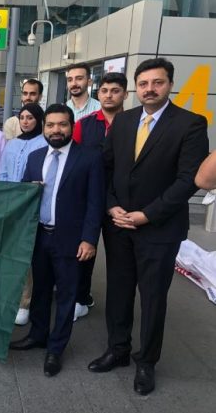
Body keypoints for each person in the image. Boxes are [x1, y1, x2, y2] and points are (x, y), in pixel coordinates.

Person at [89, 58, 209, 395]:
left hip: (159, 229)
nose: (149, 89)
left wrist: (147, 215)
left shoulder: (190, 124)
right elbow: (106, 167)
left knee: (154, 297)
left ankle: (147, 362)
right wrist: (111, 205)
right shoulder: (124, 121)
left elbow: (189, 180)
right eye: (143, 84)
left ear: (170, 84)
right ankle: (118, 349)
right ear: (135, 88)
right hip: (119, 224)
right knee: (118, 290)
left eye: (157, 83)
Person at [10, 104, 105, 378]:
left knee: (65, 296)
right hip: (39, 236)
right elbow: (24, 196)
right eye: (50, 125)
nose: (56, 130)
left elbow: (95, 202)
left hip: (71, 240)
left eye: (62, 124)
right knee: (40, 290)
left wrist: (89, 239)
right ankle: (37, 335)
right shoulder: (35, 157)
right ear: (44, 128)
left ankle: (56, 348)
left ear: (71, 126)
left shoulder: (89, 158)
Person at [71, 72, 128, 322]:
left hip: (123, 204)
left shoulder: (134, 124)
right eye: (104, 90)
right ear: (98, 93)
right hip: (89, 200)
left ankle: (118, 312)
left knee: (120, 260)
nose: (108, 95)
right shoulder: (84, 124)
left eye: (115, 90)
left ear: (125, 94)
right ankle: (80, 298)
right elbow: (74, 159)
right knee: (84, 252)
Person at [0, 103, 47, 326]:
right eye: (22, 118)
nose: (26, 121)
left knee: (29, 254)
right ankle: (10, 295)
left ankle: (25, 302)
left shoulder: (44, 143)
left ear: (39, 120)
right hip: (11, 204)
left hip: (35, 206)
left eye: (30, 117)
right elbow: (4, 173)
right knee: (11, 251)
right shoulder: (12, 144)